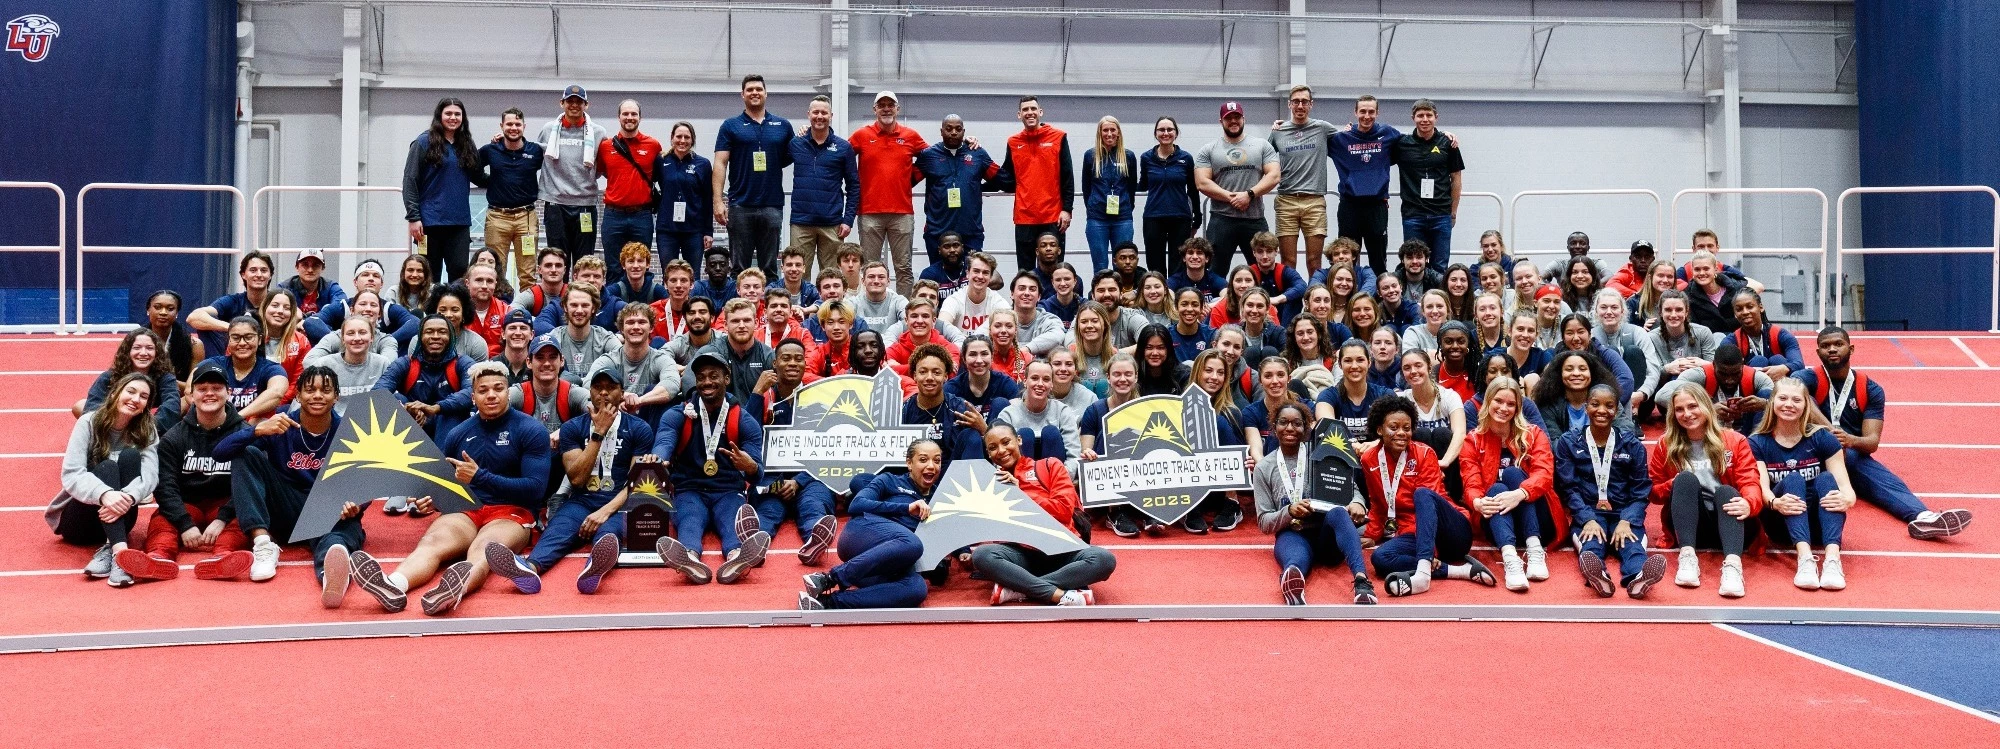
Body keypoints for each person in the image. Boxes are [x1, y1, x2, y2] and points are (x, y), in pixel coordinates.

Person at [347, 363, 551, 616]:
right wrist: (433, 501)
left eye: (498, 389)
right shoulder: (459, 433)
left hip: (511, 512)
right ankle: (393, 585)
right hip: (466, 508)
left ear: (509, 392)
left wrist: (480, 476)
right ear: (473, 397)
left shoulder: (531, 430)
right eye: (483, 390)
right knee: (431, 542)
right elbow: (448, 484)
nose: (491, 395)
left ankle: (454, 591)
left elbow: (535, 490)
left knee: (484, 548)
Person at [487, 364, 653, 596]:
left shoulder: (639, 428)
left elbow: (637, 482)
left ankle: (594, 568)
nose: (604, 393)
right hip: (583, 499)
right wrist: (598, 434)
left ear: (622, 393)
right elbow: (576, 479)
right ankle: (529, 568)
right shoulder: (573, 428)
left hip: (619, 503)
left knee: (608, 534)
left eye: (611, 388)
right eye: (598, 388)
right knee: (556, 530)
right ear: (590, 393)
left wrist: (605, 511)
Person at [1796, 326, 1971, 539]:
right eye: (1825, 346)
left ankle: (1924, 517)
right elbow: (1791, 390)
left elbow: (1872, 443)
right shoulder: (1807, 378)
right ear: (1818, 353)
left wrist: (1849, 440)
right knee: (1799, 393)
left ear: (1851, 349)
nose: (1832, 349)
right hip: (1809, 456)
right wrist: (1829, 431)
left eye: (1838, 344)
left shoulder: (1870, 389)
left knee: (1871, 470)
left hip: (1849, 457)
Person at [213, 366, 366, 606]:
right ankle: (263, 545)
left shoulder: (351, 431)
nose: (317, 396)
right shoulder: (280, 423)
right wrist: (255, 431)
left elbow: (366, 476)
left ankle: (333, 575)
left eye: (325, 391)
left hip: (328, 511)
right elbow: (220, 453)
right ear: (297, 395)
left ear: (336, 396)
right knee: (246, 453)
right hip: (285, 508)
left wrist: (357, 501)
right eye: (310, 390)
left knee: (338, 537)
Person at [121, 361, 252, 582]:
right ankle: (158, 557)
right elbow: (165, 486)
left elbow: (249, 485)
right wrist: (184, 524)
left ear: (228, 393)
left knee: (245, 519)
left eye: (216, 388)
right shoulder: (174, 437)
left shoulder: (244, 433)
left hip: (227, 505)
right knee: (162, 522)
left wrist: (222, 518)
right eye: (202, 389)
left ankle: (223, 557)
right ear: (191, 395)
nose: (209, 394)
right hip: (186, 505)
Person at [647, 351, 771, 584]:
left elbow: (758, 473)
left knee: (731, 523)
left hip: (728, 490)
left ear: (726, 379)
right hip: (689, 489)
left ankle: (737, 558)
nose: (707, 382)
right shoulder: (678, 414)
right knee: (689, 520)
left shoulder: (743, 420)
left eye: (714, 376)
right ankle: (689, 558)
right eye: (701, 377)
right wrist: (659, 458)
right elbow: (664, 440)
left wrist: (750, 466)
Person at [1359, 395, 1496, 596]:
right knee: (1380, 559)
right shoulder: (1369, 459)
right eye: (1393, 427)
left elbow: (1428, 503)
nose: (1401, 433)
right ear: (1379, 430)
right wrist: (1371, 534)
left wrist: (1428, 551)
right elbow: (1378, 502)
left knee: (1423, 494)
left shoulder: (1425, 454)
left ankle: (1423, 571)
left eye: (1407, 428)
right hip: (1411, 532)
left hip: (1450, 532)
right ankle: (1459, 571)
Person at [974, 423, 1115, 606]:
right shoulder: (991, 484)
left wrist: (1021, 494)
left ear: (1019, 440)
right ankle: (1061, 591)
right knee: (982, 555)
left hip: (1063, 551)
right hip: (1022, 556)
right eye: (992, 448)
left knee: (1104, 560)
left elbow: (1064, 511)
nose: (1001, 450)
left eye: (1006, 442)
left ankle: (1018, 589)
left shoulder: (1050, 465)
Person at [1255, 402, 1375, 604]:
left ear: (1306, 428)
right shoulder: (1264, 468)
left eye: (1297, 423)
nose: (1290, 428)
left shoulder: (1322, 454)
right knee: (1296, 559)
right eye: (1283, 422)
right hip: (1294, 533)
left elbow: (1350, 490)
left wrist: (1358, 503)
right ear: (1274, 427)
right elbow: (1264, 522)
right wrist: (1289, 511)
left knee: (1338, 512)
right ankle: (1293, 582)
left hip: (1327, 535)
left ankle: (1362, 582)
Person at [47, 373, 159, 588]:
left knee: (130, 456)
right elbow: (71, 474)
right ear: (116, 392)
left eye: (143, 396)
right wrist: (105, 494)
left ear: (147, 405)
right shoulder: (89, 422)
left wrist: (127, 496)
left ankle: (111, 546)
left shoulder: (147, 429)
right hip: (80, 521)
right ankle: (122, 555)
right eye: (131, 391)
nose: (136, 399)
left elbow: (151, 475)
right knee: (106, 467)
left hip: (123, 511)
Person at [1553, 383, 1665, 598]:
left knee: (1632, 545)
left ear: (1616, 410)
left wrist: (1627, 520)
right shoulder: (1569, 442)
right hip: (1588, 513)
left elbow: (1641, 490)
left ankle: (1639, 578)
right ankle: (1599, 578)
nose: (1602, 410)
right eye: (1595, 404)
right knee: (1591, 544)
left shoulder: (1631, 445)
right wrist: (1586, 518)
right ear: (1586, 407)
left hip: (1623, 513)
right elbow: (1568, 488)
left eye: (1609, 405)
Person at [1650, 386, 1763, 598]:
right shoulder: (1666, 444)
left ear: (1706, 407)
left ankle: (1733, 566)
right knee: (1684, 479)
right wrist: (1671, 485)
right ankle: (1688, 557)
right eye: (1680, 409)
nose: (1687, 414)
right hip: (1692, 525)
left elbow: (1750, 480)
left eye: (1693, 406)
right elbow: (1653, 492)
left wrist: (1749, 502)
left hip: (1730, 524)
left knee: (1726, 492)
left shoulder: (1734, 440)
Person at [798, 440, 938, 611]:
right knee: (913, 543)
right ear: (909, 463)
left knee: (916, 588)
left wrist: (959, 555)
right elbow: (857, 504)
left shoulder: (941, 499)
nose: (931, 466)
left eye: (937, 461)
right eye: (923, 460)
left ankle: (826, 603)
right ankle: (828, 579)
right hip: (862, 534)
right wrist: (906, 508)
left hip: (889, 562)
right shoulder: (890, 481)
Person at [1750, 378, 1855, 591]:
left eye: (1796, 400)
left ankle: (1832, 560)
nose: (1789, 404)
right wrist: (1776, 503)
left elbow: (1847, 489)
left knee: (1826, 479)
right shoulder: (1757, 441)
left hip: (1819, 523)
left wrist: (1845, 500)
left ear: (1806, 405)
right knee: (1793, 479)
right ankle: (1805, 560)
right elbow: (1763, 491)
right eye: (1783, 398)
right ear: (1771, 402)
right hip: (1781, 523)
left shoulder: (1822, 438)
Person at [1459, 375, 1558, 591]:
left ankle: (1534, 549)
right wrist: (1477, 502)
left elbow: (1544, 474)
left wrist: (1520, 494)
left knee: (1514, 474)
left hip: (1539, 519)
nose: (1504, 408)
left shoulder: (1533, 434)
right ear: (1488, 402)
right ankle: (1510, 559)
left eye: (1511, 404)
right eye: (1498, 401)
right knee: (1495, 489)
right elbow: (1471, 482)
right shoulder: (1473, 440)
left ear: (1518, 408)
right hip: (1499, 520)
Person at [849, 91, 928, 294]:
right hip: (869, 212)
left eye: (890, 105)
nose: (886, 108)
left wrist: (912, 178)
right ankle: (869, 310)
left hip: (902, 213)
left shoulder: (910, 136)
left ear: (897, 109)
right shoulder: (862, 135)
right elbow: (839, 154)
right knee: (870, 268)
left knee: (904, 268)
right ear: (874, 109)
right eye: (881, 105)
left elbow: (932, 158)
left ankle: (904, 314)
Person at [715, 74, 796, 275]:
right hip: (740, 205)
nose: (755, 93)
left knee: (769, 268)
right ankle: (738, 307)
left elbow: (793, 155)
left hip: (772, 205)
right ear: (742, 94)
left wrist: (806, 132)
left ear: (766, 93)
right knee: (739, 269)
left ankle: (769, 307)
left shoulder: (783, 126)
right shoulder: (730, 126)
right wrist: (718, 201)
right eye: (750, 90)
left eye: (759, 89)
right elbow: (720, 163)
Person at [990, 95, 1074, 270]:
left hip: (1053, 216)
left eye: (1033, 109)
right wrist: (979, 184)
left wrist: (1067, 210)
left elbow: (1067, 176)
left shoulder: (1058, 137)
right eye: (1025, 110)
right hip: (1025, 217)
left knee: (1054, 270)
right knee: (1025, 271)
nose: (1030, 113)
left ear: (1040, 112)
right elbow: (1007, 178)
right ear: (1019, 115)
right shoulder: (1013, 142)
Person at [1195, 101, 1281, 268]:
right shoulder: (1209, 149)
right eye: (1229, 118)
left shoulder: (1262, 145)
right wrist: (1232, 198)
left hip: (1254, 219)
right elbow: (1202, 182)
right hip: (1221, 219)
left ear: (1244, 119)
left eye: (1237, 117)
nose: (1233, 121)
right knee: (1214, 269)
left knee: (1263, 267)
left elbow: (1274, 175)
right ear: (1221, 121)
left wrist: (1249, 194)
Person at [402, 97, 480, 280]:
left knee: (460, 271)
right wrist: (413, 217)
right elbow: (410, 180)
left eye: (457, 114)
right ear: (440, 115)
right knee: (429, 274)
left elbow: (478, 176)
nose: (453, 117)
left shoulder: (466, 144)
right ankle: (429, 310)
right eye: (448, 113)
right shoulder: (422, 142)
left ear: (463, 117)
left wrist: (502, 152)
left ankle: (456, 309)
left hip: (459, 222)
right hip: (430, 222)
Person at [536, 85, 610, 263]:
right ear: (562, 103)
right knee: (557, 260)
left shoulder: (599, 132)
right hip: (555, 204)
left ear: (587, 105)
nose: (574, 105)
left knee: (584, 261)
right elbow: (532, 155)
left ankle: (582, 292)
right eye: (570, 101)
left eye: (579, 102)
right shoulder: (548, 130)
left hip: (586, 205)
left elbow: (603, 166)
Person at [1389, 99, 1464, 272]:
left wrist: (1453, 212)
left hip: (1441, 215)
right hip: (1413, 215)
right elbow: (1377, 145)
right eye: (1420, 115)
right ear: (1413, 118)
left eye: (1429, 115)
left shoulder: (1448, 143)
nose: (1425, 119)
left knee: (1439, 266)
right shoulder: (1402, 143)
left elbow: (1456, 178)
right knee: (1414, 265)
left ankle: (1437, 299)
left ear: (1436, 117)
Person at [376, 314, 477, 442]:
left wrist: (436, 408)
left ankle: (445, 461)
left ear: (450, 337)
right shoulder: (405, 363)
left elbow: (473, 391)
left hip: (448, 427)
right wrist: (406, 407)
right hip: (413, 425)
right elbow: (377, 392)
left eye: (442, 332)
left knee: (451, 412)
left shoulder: (463, 363)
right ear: (420, 337)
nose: (435, 336)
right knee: (396, 399)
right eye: (429, 332)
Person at [789, 94, 860, 275]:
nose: (819, 116)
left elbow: (853, 186)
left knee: (831, 277)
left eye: (824, 113)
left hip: (832, 224)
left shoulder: (844, 148)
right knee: (798, 275)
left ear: (831, 116)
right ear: (808, 115)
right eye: (815, 112)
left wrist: (848, 220)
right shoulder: (796, 144)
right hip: (801, 223)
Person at [474, 107, 546, 288]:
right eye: (509, 124)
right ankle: (498, 312)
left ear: (524, 126)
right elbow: (472, 170)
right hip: (497, 217)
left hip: (526, 217)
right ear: (502, 126)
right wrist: (491, 182)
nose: (513, 128)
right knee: (495, 271)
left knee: (528, 273)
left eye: (517, 124)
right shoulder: (490, 150)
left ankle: (527, 314)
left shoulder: (536, 151)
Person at [1330, 95, 1400, 275]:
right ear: (1355, 113)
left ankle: (1377, 299)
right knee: (1346, 258)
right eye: (1362, 111)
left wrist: (1444, 135)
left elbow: (1416, 141)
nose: (1366, 116)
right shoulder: (1341, 139)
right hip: (1349, 206)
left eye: (1371, 112)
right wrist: (1282, 128)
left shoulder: (1388, 134)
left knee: (1378, 259)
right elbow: (1311, 139)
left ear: (1377, 112)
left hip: (1376, 206)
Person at [917, 115, 1001, 263]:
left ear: (964, 132)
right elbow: (906, 181)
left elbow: (1001, 179)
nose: (954, 132)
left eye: (958, 129)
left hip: (970, 231)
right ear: (941, 131)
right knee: (940, 279)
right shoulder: (929, 156)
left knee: (972, 276)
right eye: (949, 129)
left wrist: (978, 188)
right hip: (937, 231)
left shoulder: (977, 153)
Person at [74, 328, 184, 431]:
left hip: (149, 427)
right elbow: (92, 407)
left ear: (157, 353)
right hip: (116, 426)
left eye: (149, 348)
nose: (143, 353)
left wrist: (145, 428)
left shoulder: (165, 377)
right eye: (137, 348)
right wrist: (119, 425)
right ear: (127, 351)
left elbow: (171, 405)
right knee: (81, 407)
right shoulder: (109, 376)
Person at [588, 304, 682, 423]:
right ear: (621, 329)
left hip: (648, 420)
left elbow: (672, 384)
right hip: (614, 421)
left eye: (642, 322)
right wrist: (620, 397)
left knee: (657, 394)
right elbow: (588, 384)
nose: (636, 327)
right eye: (630, 322)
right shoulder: (609, 359)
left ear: (651, 328)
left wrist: (638, 401)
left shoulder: (661, 359)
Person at [1656, 343, 1771, 434]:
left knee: (1768, 395)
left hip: (1748, 429)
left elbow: (1784, 400)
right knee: (1681, 397)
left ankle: (1756, 445)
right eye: (1723, 374)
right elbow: (1661, 396)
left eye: (1735, 374)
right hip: (1706, 431)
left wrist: (1765, 404)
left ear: (1742, 365)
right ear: (1714, 365)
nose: (1729, 380)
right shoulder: (1699, 375)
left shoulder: (1758, 378)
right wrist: (1706, 410)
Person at [188, 252, 276, 359]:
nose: (258, 274)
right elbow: (193, 317)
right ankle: (216, 370)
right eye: (253, 270)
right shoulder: (233, 301)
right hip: (235, 354)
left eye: (264, 270)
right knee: (206, 324)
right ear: (243, 274)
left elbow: (296, 319)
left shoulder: (278, 301)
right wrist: (233, 328)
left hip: (271, 354)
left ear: (270, 275)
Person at [1141, 117, 1201, 275]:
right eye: (1161, 130)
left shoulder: (1186, 158)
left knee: (1178, 264)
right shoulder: (1146, 158)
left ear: (1176, 133)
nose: (1165, 133)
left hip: (1180, 217)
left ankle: (1176, 297)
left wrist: (1198, 215)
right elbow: (1142, 184)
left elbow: (1193, 189)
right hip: (1153, 216)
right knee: (1155, 264)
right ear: (1155, 134)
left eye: (1169, 129)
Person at [1080, 115, 1139, 275]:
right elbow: (1086, 187)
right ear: (1100, 133)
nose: (1109, 134)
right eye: (1105, 130)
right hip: (1097, 218)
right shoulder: (1090, 156)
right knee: (1100, 264)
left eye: (1113, 130)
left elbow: (1131, 186)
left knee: (1123, 265)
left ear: (1118, 133)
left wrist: (1126, 206)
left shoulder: (1128, 156)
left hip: (1122, 218)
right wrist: (1093, 206)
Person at [652, 120, 716, 268]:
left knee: (693, 274)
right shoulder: (661, 161)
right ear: (672, 138)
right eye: (679, 136)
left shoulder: (703, 164)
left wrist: (708, 231)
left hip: (694, 230)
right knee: (669, 273)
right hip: (667, 229)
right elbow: (649, 183)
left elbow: (707, 200)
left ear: (692, 139)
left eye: (687, 137)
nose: (682, 141)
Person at [202, 316, 289, 421]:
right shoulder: (214, 363)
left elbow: (277, 393)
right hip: (215, 423)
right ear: (228, 340)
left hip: (252, 428)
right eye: (235, 338)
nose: (242, 343)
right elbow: (190, 390)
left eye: (248, 337)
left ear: (260, 340)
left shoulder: (271, 368)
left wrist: (235, 419)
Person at [1536, 348, 1636, 437]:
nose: (1576, 373)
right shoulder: (1549, 404)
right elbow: (1553, 442)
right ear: (1559, 374)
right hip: (1567, 456)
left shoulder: (1606, 398)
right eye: (1569, 369)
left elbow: (1626, 430)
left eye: (1582, 369)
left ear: (1592, 373)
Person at [1591, 288, 1659, 414]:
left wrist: (1642, 393)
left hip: (1640, 400)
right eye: (1604, 307)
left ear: (1622, 311)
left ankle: (1634, 415)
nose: (1609, 312)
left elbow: (1653, 368)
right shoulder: (1591, 336)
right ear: (1596, 311)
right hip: (1604, 404)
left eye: (1614, 307)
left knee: (1633, 351)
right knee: (1610, 351)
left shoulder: (1638, 332)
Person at [308, 316, 395, 412]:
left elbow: (390, 401)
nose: (357, 338)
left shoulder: (383, 363)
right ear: (343, 339)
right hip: (334, 423)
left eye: (362, 332)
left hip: (372, 422)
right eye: (350, 333)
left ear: (371, 338)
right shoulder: (324, 364)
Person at [1315, 339, 1394, 434]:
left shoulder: (1385, 395)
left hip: (1377, 448)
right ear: (1340, 364)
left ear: (1369, 362)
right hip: (1340, 448)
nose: (1354, 366)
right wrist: (1355, 445)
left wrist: (1375, 445)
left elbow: (1395, 429)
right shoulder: (1327, 396)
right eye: (1348, 361)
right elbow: (1327, 428)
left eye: (1360, 360)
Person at [1728, 289, 1803, 380]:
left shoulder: (1782, 335)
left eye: (1750, 307)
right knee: (1759, 361)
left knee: (1778, 360)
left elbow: (1799, 364)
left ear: (1761, 307)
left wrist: (1785, 368)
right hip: (1750, 388)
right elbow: (1724, 370)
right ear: (1735, 314)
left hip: (1781, 388)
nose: (1745, 312)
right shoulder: (1731, 341)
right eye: (1739, 309)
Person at [257, 288, 310, 399]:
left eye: (287, 308)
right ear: (264, 307)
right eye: (275, 305)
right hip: (248, 400)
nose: (280, 311)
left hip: (284, 403)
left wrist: (273, 404)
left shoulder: (301, 342)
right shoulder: (248, 336)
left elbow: (297, 383)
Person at [142, 290, 205, 383]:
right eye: (157, 307)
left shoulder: (194, 345)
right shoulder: (133, 341)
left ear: (177, 313)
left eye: (170, 308)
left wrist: (164, 381)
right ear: (148, 310)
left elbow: (194, 387)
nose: (163, 312)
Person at [1683, 251, 1744, 335]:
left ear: (1715, 269)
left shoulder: (1736, 289)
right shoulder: (1687, 296)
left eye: (1706, 269)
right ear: (1692, 271)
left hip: (1738, 341)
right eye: (1697, 269)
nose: (1701, 273)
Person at [278, 248, 345, 319]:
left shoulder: (330, 286)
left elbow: (342, 305)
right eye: (305, 265)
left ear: (323, 268)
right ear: (297, 267)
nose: (310, 270)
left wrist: (309, 320)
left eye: (315, 265)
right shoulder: (285, 287)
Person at [1167, 237, 1226, 303]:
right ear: (1184, 258)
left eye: (1199, 253)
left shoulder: (1214, 279)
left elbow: (1228, 297)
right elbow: (1168, 299)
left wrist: (1207, 307)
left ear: (1207, 258)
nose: (1195, 257)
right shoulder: (1175, 279)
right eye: (1190, 253)